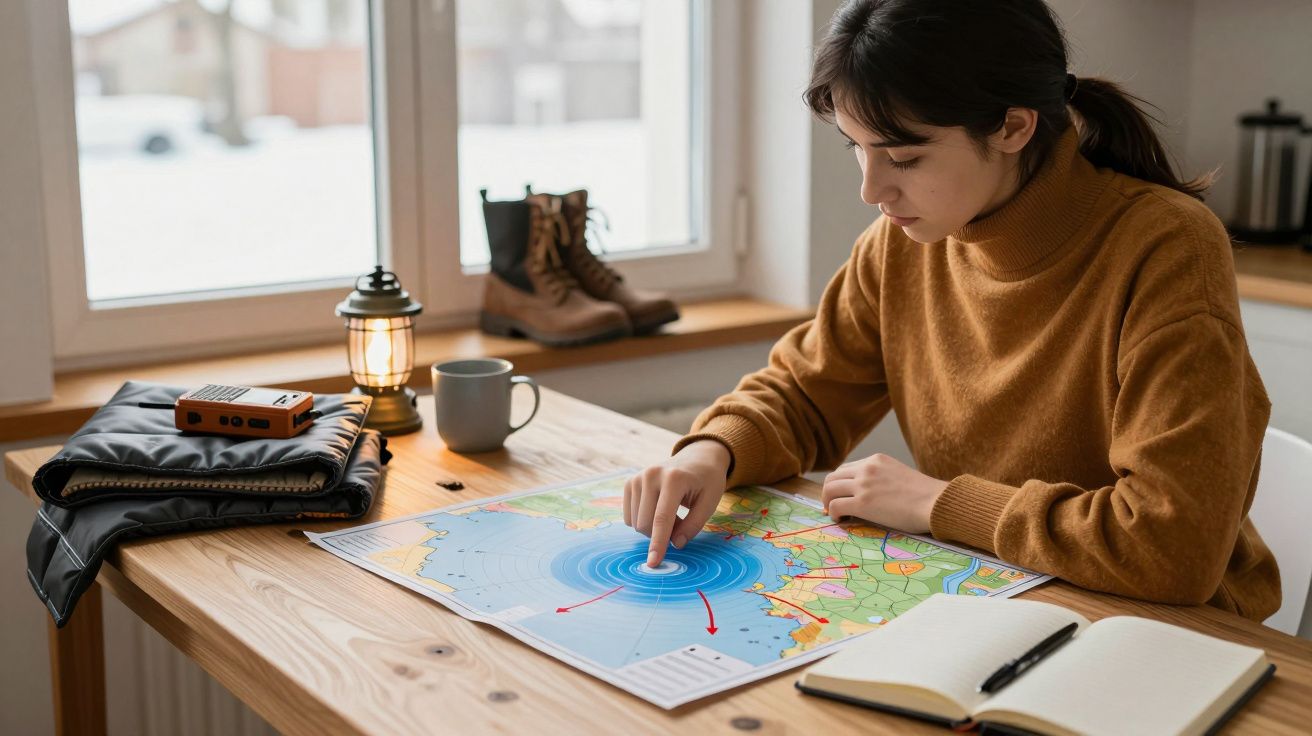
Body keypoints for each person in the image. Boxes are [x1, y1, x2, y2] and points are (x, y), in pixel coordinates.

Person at [622, 0, 1280, 621]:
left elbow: (1170, 548)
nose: (871, 189)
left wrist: (939, 502)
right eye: (857, 147)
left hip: (1164, 634)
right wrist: (712, 452)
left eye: (903, 156)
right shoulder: (905, 242)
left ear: (1014, 127)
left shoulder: (1167, 247)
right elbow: (803, 393)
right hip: (995, 598)